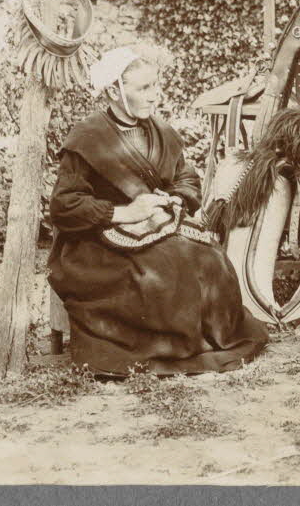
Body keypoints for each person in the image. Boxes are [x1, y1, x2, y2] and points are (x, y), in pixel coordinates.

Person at [47, 45, 268, 375]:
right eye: (145, 88)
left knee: (210, 257)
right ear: (114, 91)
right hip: (96, 242)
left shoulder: (161, 131)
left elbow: (186, 176)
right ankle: (175, 349)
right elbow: (64, 205)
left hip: (159, 227)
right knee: (165, 267)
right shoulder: (87, 138)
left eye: (156, 86)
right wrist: (126, 213)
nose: (156, 96)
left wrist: (178, 198)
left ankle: (206, 341)